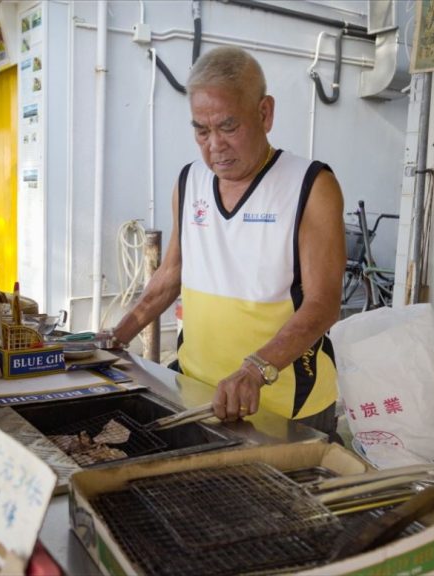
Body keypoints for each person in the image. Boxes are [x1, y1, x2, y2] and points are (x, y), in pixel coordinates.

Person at [101, 47, 346, 439]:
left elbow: (323, 304)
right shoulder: (189, 181)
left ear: (264, 113)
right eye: (201, 130)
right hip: (195, 391)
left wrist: (255, 370)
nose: (214, 144)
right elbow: (172, 273)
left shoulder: (310, 185)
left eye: (229, 127)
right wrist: (116, 335)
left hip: (285, 406)